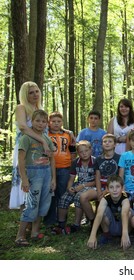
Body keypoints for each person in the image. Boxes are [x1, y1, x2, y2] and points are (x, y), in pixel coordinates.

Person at [15, 110, 56, 246]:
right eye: (37, 121)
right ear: (31, 121)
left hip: (46, 173)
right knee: (32, 204)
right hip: (33, 174)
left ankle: (34, 232)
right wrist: (24, 179)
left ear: (47, 124)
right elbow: (20, 160)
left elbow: (52, 159)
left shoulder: (47, 139)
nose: (40, 124)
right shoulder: (26, 138)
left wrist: (53, 178)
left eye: (43, 121)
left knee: (43, 203)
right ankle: (20, 235)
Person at [10, 81, 50, 210]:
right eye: (31, 92)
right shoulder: (21, 107)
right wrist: (42, 141)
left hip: (39, 151)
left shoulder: (40, 110)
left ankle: (33, 222)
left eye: (36, 91)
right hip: (25, 149)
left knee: (36, 182)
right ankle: (24, 219)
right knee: (25, 181)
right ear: (25, 95)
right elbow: (23, 127)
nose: (35, 94)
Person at [54, 140, 96, 234]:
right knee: (64, 198)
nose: (84, 153)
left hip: (91, 186)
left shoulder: (95, 161)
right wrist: (69, 188)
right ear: (78, 153)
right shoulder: (75, 162)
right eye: (81, 152)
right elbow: (71, 179)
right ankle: (61, 224)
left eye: (86, 151)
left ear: (91, 150)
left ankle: (76, 225)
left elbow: (96, 181)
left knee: (78, 197)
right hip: (78, 185)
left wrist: (83, 186)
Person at [79, 133, 121, 227]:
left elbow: (120, 177)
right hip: (100, 187)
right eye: (105, 141)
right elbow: (97, 177)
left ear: (115, 144)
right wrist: (99, 192)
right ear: (102, 144)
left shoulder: (119, 158)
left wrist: (107, 191)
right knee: (83, 197)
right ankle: (93, 221)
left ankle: (110, 222)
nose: (107, 143)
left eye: (110, 141)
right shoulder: (98, 159)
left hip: (114, 188)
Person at [44, 111, 77, 227]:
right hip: (49, 168)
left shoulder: (67, 134)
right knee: (50, 194)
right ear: (49, 123)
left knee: (62, 194)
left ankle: (62, 219)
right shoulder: (45, 134)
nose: (56, 124)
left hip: (65, 167)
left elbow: (73, 150)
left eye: (59, 121)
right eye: (53, 121)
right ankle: (49, 220)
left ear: (62, 122)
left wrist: (72, 164)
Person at [87, 175, 131, 250]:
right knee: (102, 211)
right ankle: (107, 235)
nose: (114, 190)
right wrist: (92, 235)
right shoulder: (105, 199)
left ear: (122, 188)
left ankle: (126, 236)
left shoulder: (125, 199)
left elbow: (124, 214)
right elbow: (99, 215)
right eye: (111, 187)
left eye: (117, 187)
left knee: (129, 213)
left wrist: (125, 234)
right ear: (107, 189)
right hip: (111, 227)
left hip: (123, 227)